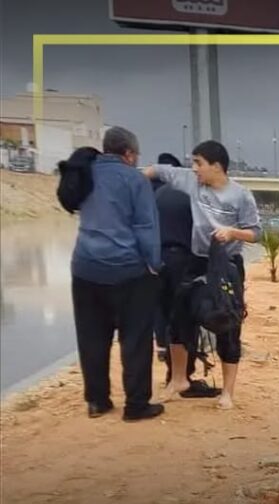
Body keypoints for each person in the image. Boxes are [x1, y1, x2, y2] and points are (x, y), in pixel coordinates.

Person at [145, 140, 261, 410]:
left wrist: (232, 233)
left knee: (227, 323)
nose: (194, 168)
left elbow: (256, 232)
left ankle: (228, 393)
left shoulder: (241, 196)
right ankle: (178, 381)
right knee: (177, 318)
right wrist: (129, 182)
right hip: (196, 262)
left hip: (227, 266)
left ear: (216, 166)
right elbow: (156, 171)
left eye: (198, 163)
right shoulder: (191, 182)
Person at [69, 127, 164, 421]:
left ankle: (97, 401)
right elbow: (145, 227)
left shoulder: (84, 173)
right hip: (129, 271)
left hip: (85, 268)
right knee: (135, 339)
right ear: (129, 154)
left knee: (92, 337)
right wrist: (154, 264)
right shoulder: (134, 180)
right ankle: (136, 405)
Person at [153, 152, 219, 399]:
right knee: (187, 320)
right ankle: (183, 378)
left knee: (168, 319)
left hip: (159, 261)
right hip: (185, 261)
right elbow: (204, 233)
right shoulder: (195, 196)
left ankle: (174, 374)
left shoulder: (157, 195)